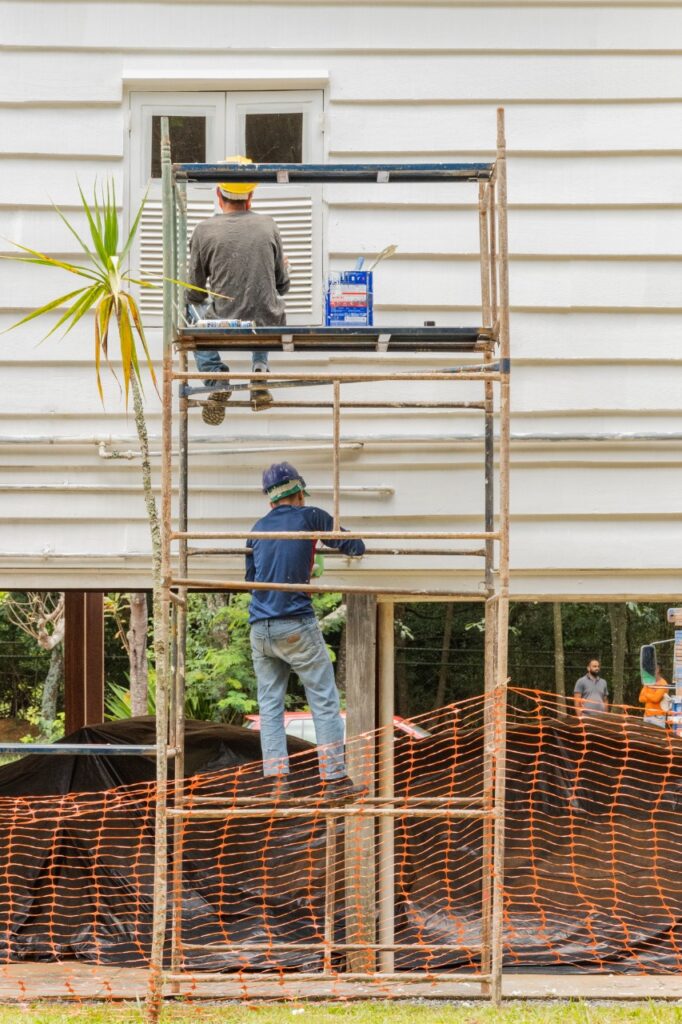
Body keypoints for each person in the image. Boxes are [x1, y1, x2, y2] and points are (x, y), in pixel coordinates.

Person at [246, 462, 366, 801]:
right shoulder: (309, 517)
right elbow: (353, 545)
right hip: (295, 622)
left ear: (270, 501)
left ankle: (278, 784)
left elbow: (251, 581)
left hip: (260, 628)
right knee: (323, 700)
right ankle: (334, 780)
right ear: (298, 492)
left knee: (270, 706)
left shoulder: (256, 529)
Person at [186, 155, 290, 423]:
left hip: (224, 320)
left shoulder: (203, 230)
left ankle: (215, 378)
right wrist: (284, 268)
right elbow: (282, 286)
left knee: (188, 306)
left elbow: (195, 292)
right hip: (267, 323)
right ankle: (259, 369)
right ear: (250, 197)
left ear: (219, 195)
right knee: (264, 301)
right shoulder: (269, 225)